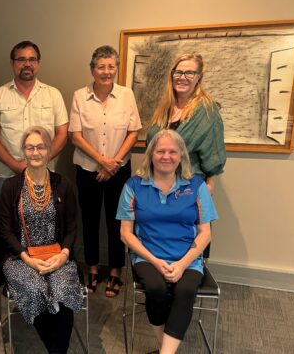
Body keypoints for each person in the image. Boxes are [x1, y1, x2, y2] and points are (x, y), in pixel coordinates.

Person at [117, 129, 218, 354]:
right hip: (147, 257)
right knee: (156, 288)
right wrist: (155, 260)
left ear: (181, 156)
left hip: (188, 259)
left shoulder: (197, 186)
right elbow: (126, 233)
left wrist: (182, 264)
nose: (166, 156)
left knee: (185, 290)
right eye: (160, 151)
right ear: (151, 155)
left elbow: (205, 233)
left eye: (173, 151)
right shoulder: (133, 186)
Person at [0, 126, 83, 354]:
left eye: (41, 146)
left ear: (49, 150)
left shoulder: (63, 184)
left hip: (57, 256)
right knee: (36, 290)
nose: (35, 152)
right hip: (20, 257)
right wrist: (28, 259)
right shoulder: (11, 186)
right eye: (30, 147)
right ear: (23, 151)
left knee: (62, 291)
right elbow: (5, 230)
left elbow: (72, 226)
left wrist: (64, 254)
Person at [69, 45, 141, 298]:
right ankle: (91, 268)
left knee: (117, 222)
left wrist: (114, 163)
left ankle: (115, 271)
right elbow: (75, 136)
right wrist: (102, 161)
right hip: (88, 168)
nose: (106, 71)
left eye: (111, 67)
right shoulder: (80, 95)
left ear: (116, 69)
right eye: (101, 67)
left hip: (119, 170)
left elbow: (134, 132)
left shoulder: (126, 95)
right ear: (92, 69)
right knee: (89, 220)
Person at [0, 41, 69, 200]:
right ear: (12, 63)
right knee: (9, 225)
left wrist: (40, 161)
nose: (27, 64)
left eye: (32, 59)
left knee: (46, 225)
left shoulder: (53, 95)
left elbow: (62, 135)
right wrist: (17, 166)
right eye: (21, 59)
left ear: (38, 63)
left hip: (44, 177)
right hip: (7, 177)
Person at [145, 53, 226, 194]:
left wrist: (210, 185)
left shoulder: (207, 109)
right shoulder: (165, 107)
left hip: (188, 186)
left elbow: (213, 152)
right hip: (157, 184)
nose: (182, 77)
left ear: (199, 77)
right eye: (178, 72)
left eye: (190, 73)